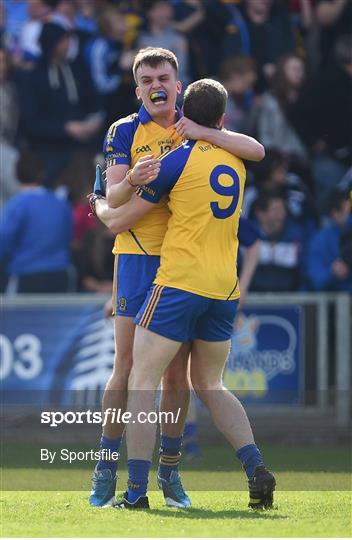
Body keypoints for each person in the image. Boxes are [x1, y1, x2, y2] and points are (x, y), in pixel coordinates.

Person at [88, 46, 265, 509]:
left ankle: (169, 473)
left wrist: (205, 131)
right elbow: (115, 194)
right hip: (138, 258)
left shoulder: (197, 128)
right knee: (125, 369)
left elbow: (254, 148)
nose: (155, 86)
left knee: (176, 379)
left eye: (162, 77)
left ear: (178, 83)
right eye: (146, 80)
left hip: (180, 266)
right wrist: (127, 184)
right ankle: (106, 466)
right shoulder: (123, 130)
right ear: (137, 88)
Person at [0, 150, 73, 293]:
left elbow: (4, 241)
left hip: (25, 274)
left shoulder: (16, 205)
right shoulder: (60, 203)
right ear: (42, 174)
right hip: (61, 273)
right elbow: (68, 236)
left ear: (16, 175)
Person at [306, 190, 352, 292]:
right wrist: (332, 272)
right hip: (330, 303)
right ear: (335, 214)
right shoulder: (319, 240)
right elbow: (316, 280)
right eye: (348, 212)